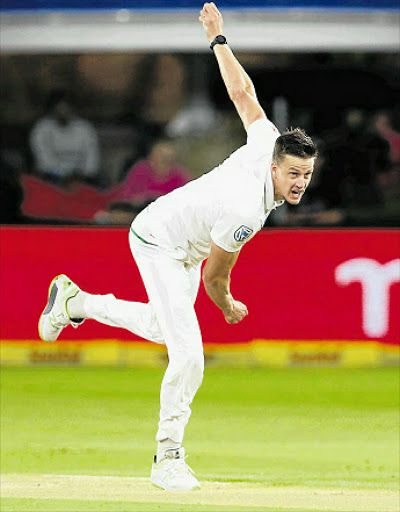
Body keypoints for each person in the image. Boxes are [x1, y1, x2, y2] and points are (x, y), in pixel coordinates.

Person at [38, 2, 317, 492]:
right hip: (158, 239)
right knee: (188, 355)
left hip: (181, 244)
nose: (299, 184)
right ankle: (166, 458)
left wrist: (219, 39)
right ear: (274, 168)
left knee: (159, 326)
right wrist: (228, 305)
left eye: (306, 175)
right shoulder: (246, 210)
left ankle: (75, 302)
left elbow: (243, 93)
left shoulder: (267, 140)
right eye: (293, 174)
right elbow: (215, 277)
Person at [29, 90, 100, 187]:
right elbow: (44, 160)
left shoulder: (85, 128)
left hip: (83, 177)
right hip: (53, 176)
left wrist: (83, 174)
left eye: (67, 106)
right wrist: (65, 174)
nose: (63, 110)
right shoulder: (42, 128)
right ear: (52, 108)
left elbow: (92, 157)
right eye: (59, 107)